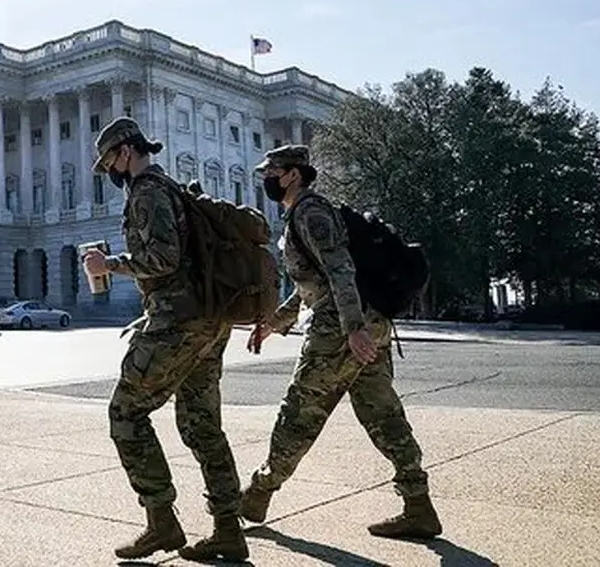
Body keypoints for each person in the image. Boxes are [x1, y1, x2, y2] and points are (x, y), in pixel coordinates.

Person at [241, 144, 443, 539]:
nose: (267, 179)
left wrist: (352, 328)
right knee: (382, 414)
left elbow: (339, 270)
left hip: (342, 326)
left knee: (300, 411)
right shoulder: (305, 213)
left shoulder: (311, 212)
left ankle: (257, 493)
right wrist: (274, 323)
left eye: (273, 171)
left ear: (293, 174)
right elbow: (309, 287)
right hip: (367, 321)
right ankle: (418, 504)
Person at [81, 116, 250, 563]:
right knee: (201, 424)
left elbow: (163, 258)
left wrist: (107, 265)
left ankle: (162, 522)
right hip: (208, 320)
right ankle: (228, 529)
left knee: (126, 412)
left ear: (125, 152)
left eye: (111, 161)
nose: (112, 172)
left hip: (180, 321)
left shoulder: (148, 191)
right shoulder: (171, 187)